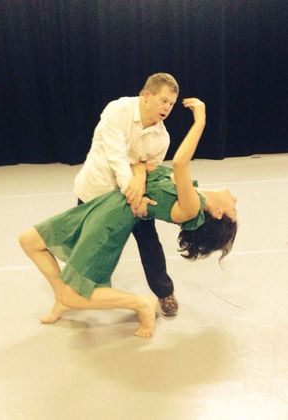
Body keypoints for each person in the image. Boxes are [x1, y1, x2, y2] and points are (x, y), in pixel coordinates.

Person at [19, 98, 238, 338]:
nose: (236, 202)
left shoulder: (191, 208)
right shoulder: (193, 194)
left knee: (75, 289)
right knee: (29, 241)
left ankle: (140, 303)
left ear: (218, 214)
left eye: (234, 210)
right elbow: (141, 165)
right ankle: (62, 297)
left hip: (113, 215)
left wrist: (201, 119)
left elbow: (179, 162)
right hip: (107, 201)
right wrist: (140, 178)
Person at [73, 73, 180, 316]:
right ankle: (75, 289)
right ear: (145, 95)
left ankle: (165, 292)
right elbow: (115, 156)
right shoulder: (117, 110)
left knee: (149, 241)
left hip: (134, 197)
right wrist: (135, 181)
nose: (167, 108)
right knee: (83, 242)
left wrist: (140, 180)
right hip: (95, 190)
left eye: (172, 104)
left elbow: (150, 169)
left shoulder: (162, 138)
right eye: (163, 100)